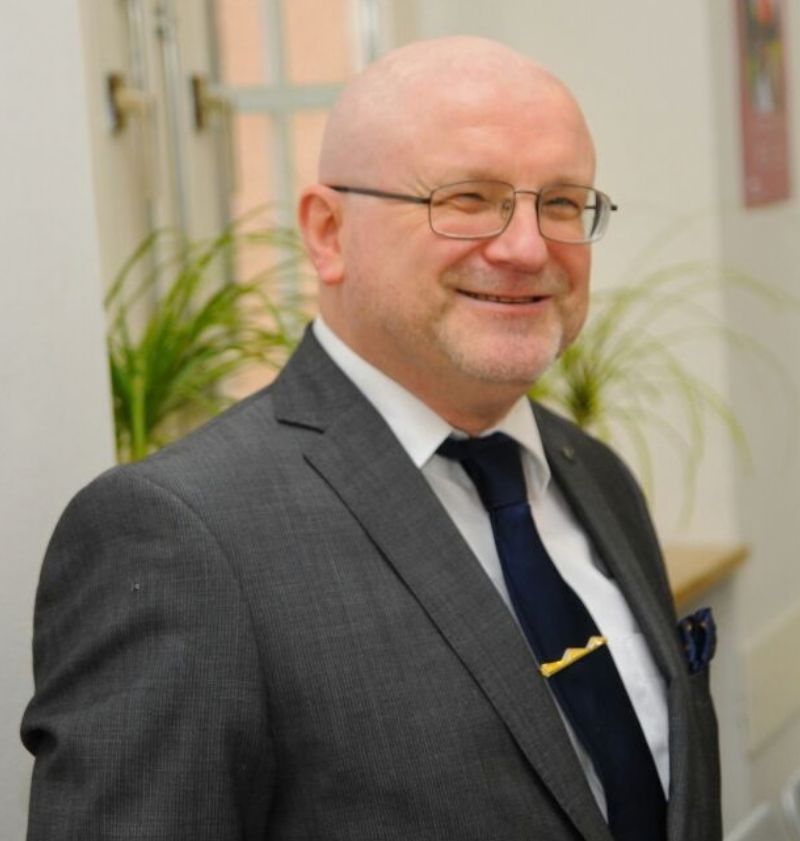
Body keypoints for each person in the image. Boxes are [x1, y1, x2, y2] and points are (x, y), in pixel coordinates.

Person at [22, 36, 721, 841]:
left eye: (562, 203)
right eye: (467, 197)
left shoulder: (594, 475)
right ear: (328, 232)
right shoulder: (181, 535)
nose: (528, 247)